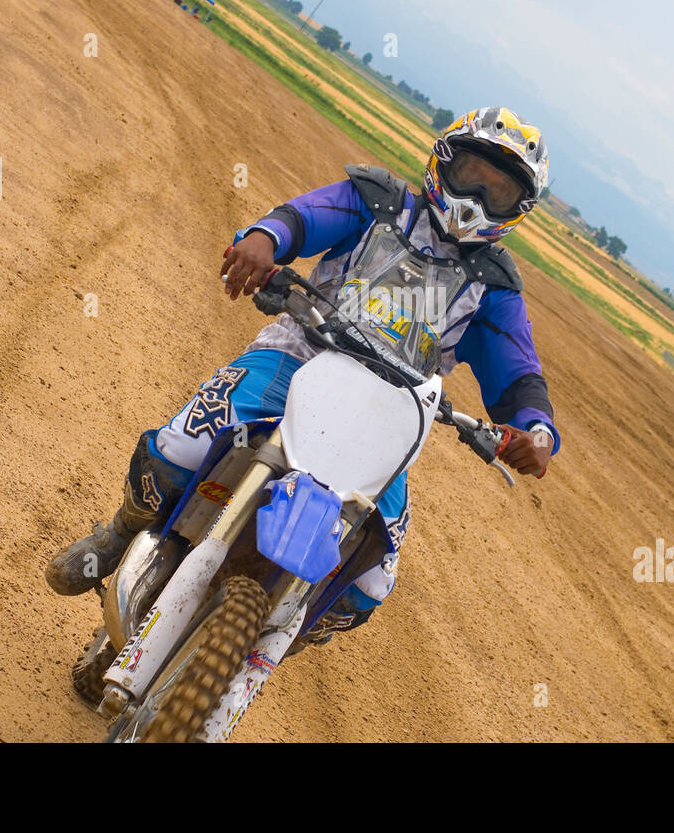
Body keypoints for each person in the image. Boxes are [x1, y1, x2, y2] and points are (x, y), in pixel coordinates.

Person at [46, 106, 561, 644]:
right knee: (181, 452)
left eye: (496, 192)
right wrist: (264, 240)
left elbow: (520, 376)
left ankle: (253, 651)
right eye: (472, 176)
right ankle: (117, 536)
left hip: (388, 419)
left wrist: (537, 432)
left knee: (368, 579)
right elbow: (304, 217)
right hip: (297, 358)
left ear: (515, 209)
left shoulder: (494, 286)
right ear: (444, 162)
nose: (476, 198)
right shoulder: (377, 200)